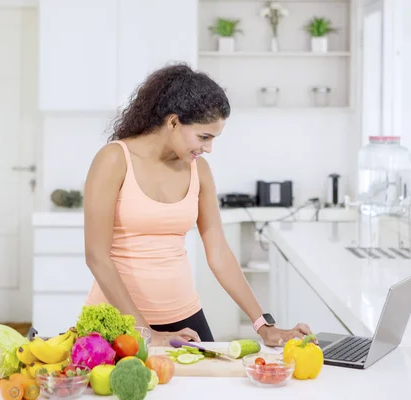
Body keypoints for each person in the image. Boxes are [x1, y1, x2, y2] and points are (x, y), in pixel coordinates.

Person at [82, 63, 312, 347]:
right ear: (174, 122)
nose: (208, 148)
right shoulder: (114, 159)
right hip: (118, 321)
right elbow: (97, 256)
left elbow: (219, 253)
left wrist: (262, 324)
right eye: (204, 137)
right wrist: (145, 333)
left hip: (183, 316)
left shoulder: (198, 170)